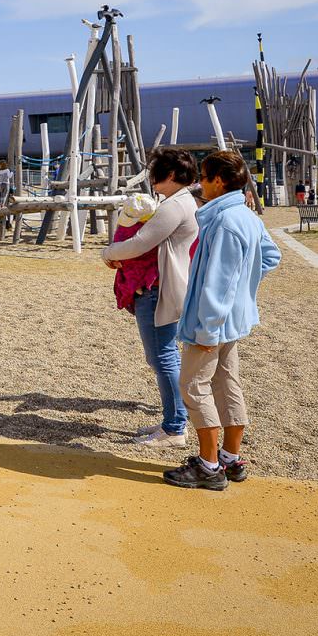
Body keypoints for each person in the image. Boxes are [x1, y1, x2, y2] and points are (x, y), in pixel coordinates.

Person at [165, 149, 280, 491]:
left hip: (213, 322)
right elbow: (271, 256)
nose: (200, 183)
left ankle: (209, 464)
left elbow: (219, 283)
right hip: (233, 319)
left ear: (218, 180)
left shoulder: (227, 221)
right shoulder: (246, 216)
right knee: (226, 384)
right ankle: (230, 458)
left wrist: (207, 328)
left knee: (193, 386)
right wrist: (248, 284)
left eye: (203, 176)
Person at [101, 149, 200, 447]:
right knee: (163, 355)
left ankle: (174, 428)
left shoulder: (174, 206)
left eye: (155, 171)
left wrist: (107, 253)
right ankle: (174, 419)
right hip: (167, 284)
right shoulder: (184, 202)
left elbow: (140, 242)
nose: (152, 178)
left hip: (158, 288)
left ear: (170, 175)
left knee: (163, 357)